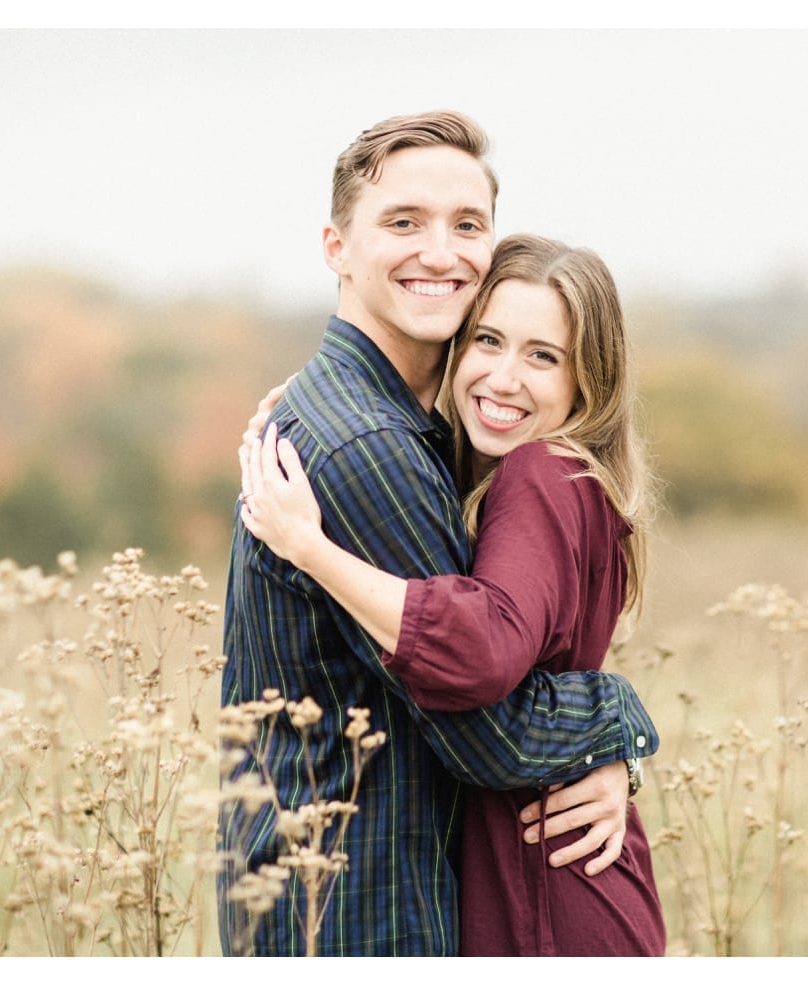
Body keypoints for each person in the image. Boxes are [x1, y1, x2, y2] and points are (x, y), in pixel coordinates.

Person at [218, 110, 658, 957]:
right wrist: (620, 716)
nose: (440, 251)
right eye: (404, 222)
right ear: (336, 247)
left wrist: (619, 746)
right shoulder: (371, 446)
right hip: (358, 916)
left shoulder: (419, 437)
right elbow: (493, 730)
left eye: (467, 226)